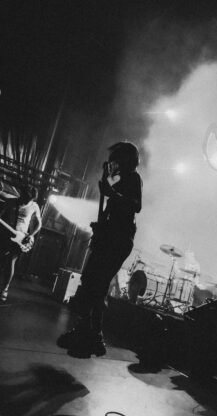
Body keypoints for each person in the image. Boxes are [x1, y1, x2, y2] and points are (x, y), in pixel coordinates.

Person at [58, 141, 142, 358]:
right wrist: (101, 225)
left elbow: (136, 206)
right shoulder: (122, 180)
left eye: (117, 159)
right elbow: (113, 212)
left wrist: (111, 193)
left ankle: (92, 336)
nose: (114, 163)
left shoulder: (133, 178)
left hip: (118, 241)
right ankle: (91, 334)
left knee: (96, 283)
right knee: (93, 284)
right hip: (110, 238)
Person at [0, 185, 42, 301]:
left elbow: (39, 224)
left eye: (30, 199)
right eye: (25, 198)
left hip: (21, 238)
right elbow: (0, 214)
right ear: (22, 195)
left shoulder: (34, 206)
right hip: (5, 235)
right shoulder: (11, 202)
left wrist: (31, 235)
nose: (27, 201)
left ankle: (5, 289)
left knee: (10, 263)